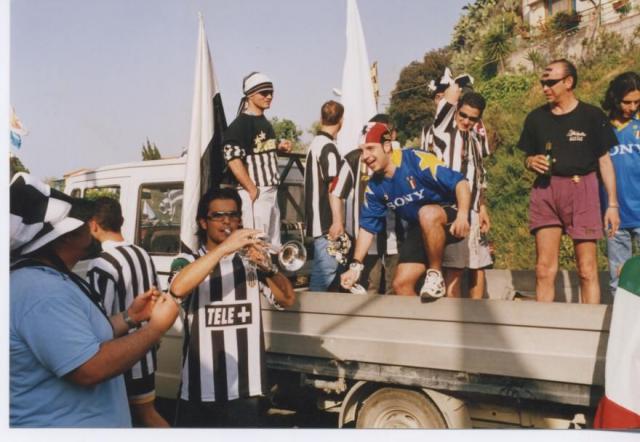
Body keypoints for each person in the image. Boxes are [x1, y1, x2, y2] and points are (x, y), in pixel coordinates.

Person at [10, 173, 178, 427]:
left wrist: (131, 317)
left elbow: (81, 337)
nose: (90, 226)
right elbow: (89, 368)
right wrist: (155, 329)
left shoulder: (51, 279)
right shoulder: (42, 291)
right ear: (65, 236)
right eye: (82, 223)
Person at [169, 187, 295, 427]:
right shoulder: (187, 260)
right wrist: (225, 248)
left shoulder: (250, 262)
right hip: (199, 389)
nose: (227, 221)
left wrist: (268, 268)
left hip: (246, 390)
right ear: (203, 222)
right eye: (218, 216)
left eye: (233, 215)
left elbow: (287, 300)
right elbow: (178, 288)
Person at [518, 59, 620, 304]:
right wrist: (531, 162)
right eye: (543, 83)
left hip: (582, 189)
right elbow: (527, 157)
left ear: (568, 82)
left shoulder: (592, 116)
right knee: (544, 269)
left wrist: (612, 204)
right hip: (546, 191)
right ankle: (542, 325)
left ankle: (589, 325)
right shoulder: (536, 118)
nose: (545, 88)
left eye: (551, 82)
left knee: (586, 269)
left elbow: (605, 162)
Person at [339, 123, 471, 301]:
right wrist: (355, 266)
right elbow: (367, 227)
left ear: (387, 146)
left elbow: (461, 183)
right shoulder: (374, 186)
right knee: (401, 285)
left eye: (370, 148)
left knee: (427, 214)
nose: (365, 157)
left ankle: (435, 275)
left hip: (452, 218)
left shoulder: (415, 159)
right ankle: (423, 319)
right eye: (361, 151)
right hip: (421, 226)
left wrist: (463, 215)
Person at [86, 197, 169, 427]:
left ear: (93, 225)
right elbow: (156, 298)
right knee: (147, 415)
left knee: (134, 419)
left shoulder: (101, 264)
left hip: (120, 360)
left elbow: (99, 321)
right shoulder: (142, 253)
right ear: (121, 221)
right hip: (146, 353)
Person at [428, 83, 492, 299]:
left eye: (472, 118)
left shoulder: (476, 140)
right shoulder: (443, 132)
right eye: (462, 115)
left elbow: (480, 176)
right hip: (452, 210)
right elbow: (450, 96)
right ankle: (452, 316)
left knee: (478, 266)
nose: (466, 121)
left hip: (474, 210)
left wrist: (482, 208)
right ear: (456, 111)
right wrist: (457, 84)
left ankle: (476, 314)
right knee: (454, 269)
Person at [329, 115, 405, 294]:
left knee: (395, 290)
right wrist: (338, 221)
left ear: (392, 136)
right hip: (366, 241)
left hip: (396, 237)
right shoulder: (354, 158)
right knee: (367, 290)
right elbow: (336, 192)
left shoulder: (403, 158)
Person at [223, 71, 292, 249]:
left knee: (273, 247)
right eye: (264, 93)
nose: (269, 96)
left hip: (270, 191)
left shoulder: (263, 121)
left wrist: (278, 146)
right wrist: (251, 189)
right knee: (256, 247)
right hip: (257, 192)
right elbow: (232, 158)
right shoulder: (240, 124)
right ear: (251, 94)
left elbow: (257, 146)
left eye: (271, 92)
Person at [600, 71, 640, 295]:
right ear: (615, 99)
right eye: (627, 102)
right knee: (619, 278)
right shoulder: (602, 127)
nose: (632, 107)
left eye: (637, 102)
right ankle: (621, 315)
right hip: (615, 215)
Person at [304, 100, 344, 291]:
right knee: (325, 270)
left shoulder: (315, 144)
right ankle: (313, 308)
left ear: (321, 118)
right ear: (341, 120)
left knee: (327, 270)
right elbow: (332, 187)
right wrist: (337, 221)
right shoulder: (328, 147)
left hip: (317, 219)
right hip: (325, 221)